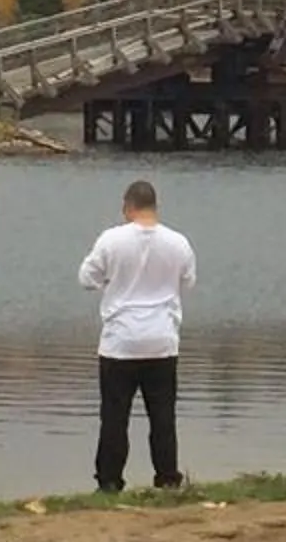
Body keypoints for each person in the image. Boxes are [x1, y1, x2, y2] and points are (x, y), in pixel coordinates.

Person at [77, 177, 197, 492]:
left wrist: (113, 280)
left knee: (115, 418)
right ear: (154, 207)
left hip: (120, 343)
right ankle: (168, 478)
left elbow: (86, 279)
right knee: (162, 416)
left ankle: (109, 482)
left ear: (128, 206)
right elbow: (188, 281)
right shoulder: (179, 242)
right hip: (162, 341)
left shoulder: (111, 239)